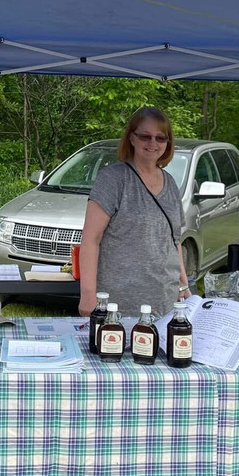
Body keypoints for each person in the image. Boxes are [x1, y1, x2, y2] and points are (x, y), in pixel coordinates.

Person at [78, 107, 190, 319]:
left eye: (160, 138)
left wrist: (183, 285)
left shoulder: (171, 184)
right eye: (145, 136)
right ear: (131, 138)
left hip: (165, 301)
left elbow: (174, 241)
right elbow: (91, 239)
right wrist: (88, 295)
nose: (153, 143)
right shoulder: (112, 179)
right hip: (118, 304)